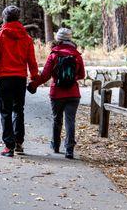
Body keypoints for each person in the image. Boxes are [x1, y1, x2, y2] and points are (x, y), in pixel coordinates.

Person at [0, 5, 39, 157]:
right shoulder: (26, 38)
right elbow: (32, 61)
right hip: (20, 79)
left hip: (5, 79)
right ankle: (19, 142)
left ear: (4, 18)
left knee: (6, 112)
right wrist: (34, 80)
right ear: (18, 18)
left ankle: (9, 146)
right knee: (18, 110)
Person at [29, 28, 85, 159]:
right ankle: (69, 150)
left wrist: (33, 85)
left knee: (57, 119)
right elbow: (82, 75)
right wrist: (71, 79)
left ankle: (55, 145)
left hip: (57, 93)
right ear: (70, 39)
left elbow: (44, 76)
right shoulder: (76, 55)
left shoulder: (54, 54)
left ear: (58, 39)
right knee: (70, 121)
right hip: (73, 93)